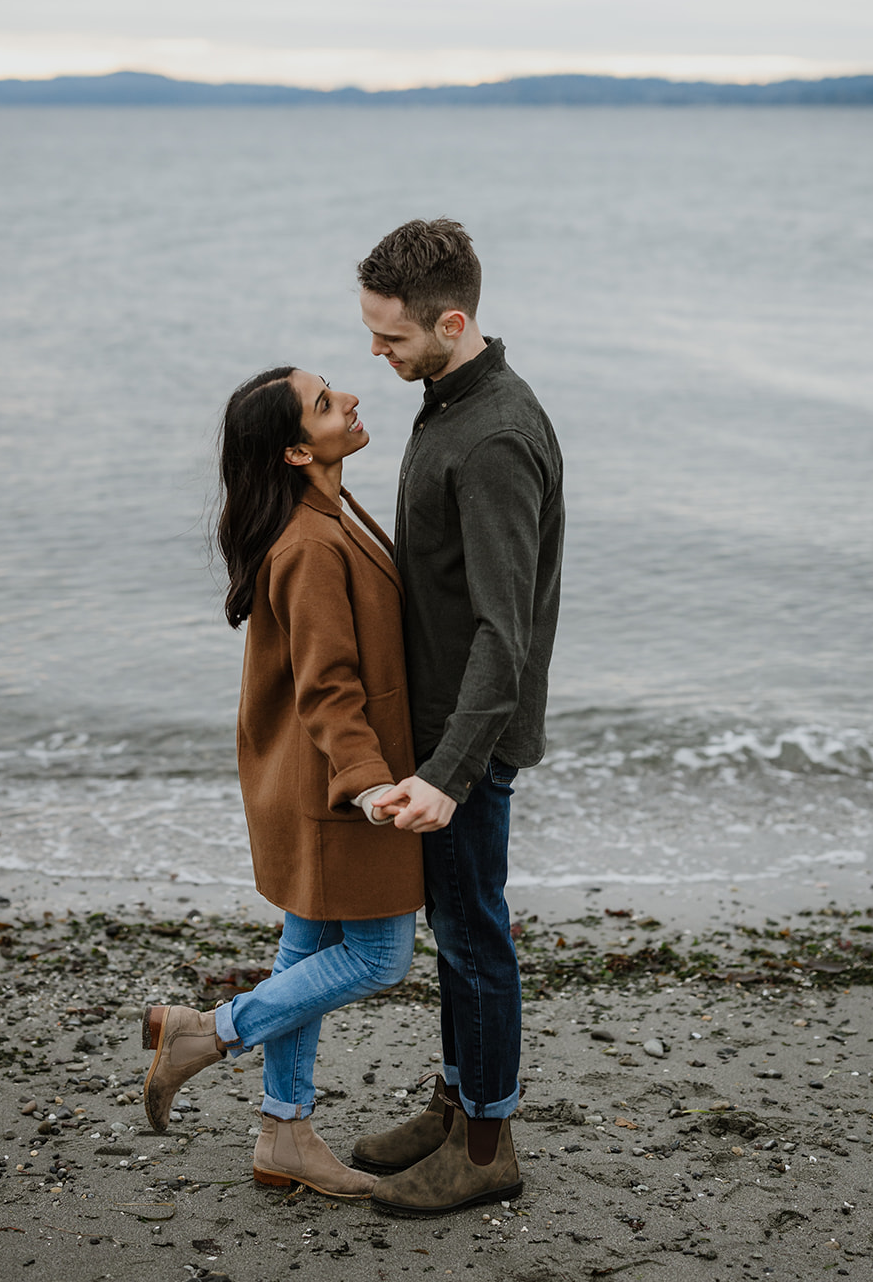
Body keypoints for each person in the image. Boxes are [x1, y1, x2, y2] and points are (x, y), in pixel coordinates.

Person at [140, 365, 424, 1198]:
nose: (354, 401)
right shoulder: (308, 543)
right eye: (329, 403)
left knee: (308, 950)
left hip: (309, 776)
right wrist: (372, 785)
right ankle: (210, 1032)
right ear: (298, 450)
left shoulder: (330, 513)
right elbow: (327, 686)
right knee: (378, 958)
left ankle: (284, 1134)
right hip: (332, 787)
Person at [353, 219, 564, 1216]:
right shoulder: (446, 398)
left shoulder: (496, 436)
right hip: (438, 728)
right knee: (457, 927)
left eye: (391, 338)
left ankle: (485, 1143)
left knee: (475, 933)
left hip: (466, 742)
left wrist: (447, 769)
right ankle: (453, 1105)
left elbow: (503, 629)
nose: (377, 353)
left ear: (454, 320)